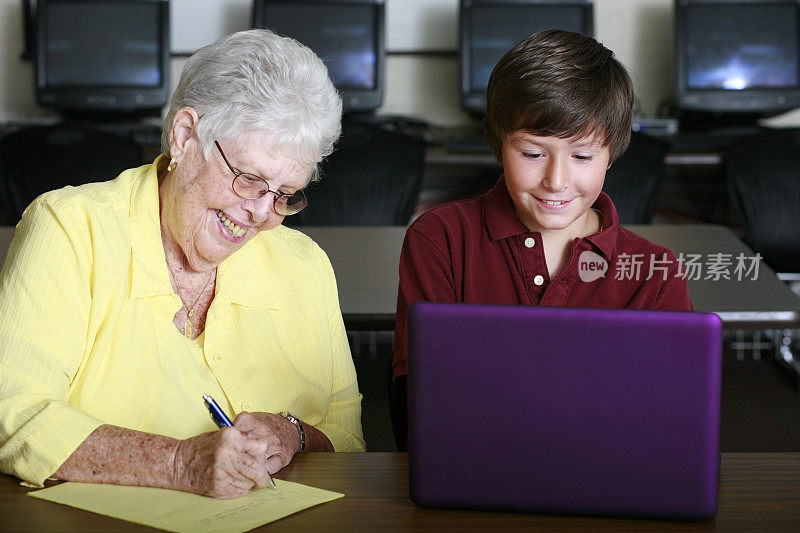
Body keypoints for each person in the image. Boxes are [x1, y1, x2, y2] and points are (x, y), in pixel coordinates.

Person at [0, 29, 364, 499]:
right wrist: (175, 463)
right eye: (249, 179)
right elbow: (13, 410)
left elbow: (350, 439)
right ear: (186, 135)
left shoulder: (305, 265)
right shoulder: (70, 229)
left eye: (284, 195)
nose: (261, 213)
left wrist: (294, 433)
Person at [392, 30, 693, 446]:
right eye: (533, 154)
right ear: (499, 145)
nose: (556, 181)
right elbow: (419, 409)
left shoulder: (653, 272)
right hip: (474, 481)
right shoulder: (440, 240)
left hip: (609, 484)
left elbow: (670, 423)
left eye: (583, 156)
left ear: (613, 153)